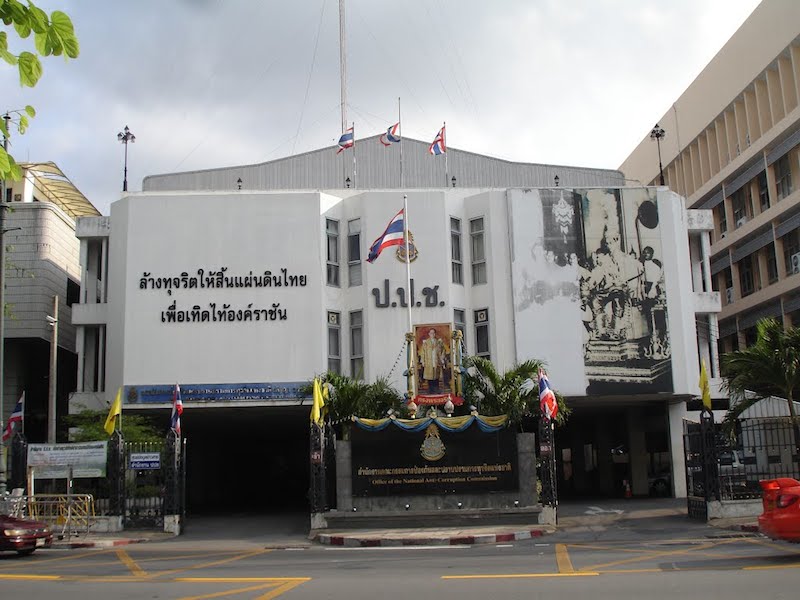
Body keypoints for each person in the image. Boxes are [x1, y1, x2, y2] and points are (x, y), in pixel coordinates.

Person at [420, 328, 445, 393]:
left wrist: (442, 358)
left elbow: (443, 350)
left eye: (433, 333)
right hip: (429, 361)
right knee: (430, 376)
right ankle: (430, 390)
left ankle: (436, 389)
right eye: (431, 333)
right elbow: (422, 352)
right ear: (429, 334)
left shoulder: (439, 342)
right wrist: (423, 361)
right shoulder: (426, 342)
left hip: (436, 361)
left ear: (435, 334)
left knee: (436, 375)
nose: (432, 334)